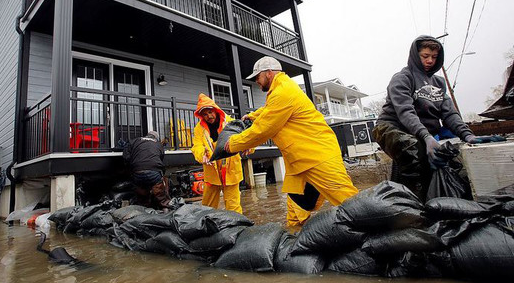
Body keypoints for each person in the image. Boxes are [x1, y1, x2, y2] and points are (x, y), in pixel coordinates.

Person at [224, 56, 359, 226]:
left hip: (318, 155)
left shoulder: (283, 92)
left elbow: (264, 129)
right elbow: (269, 110)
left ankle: (377, 238)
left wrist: (234, 144)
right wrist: (251, 116)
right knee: (295, 213)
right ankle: (294, 241)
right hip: (298, 162)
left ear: (269, 73)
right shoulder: (280, 90)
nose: (257, 82)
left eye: (257, 77)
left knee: (349, 202)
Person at [372, 35, 503, 200]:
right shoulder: (403, 78)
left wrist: (468, 135)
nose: (430, 61)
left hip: (419, 132)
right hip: (390, 128)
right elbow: (405, 111)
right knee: (411, 149)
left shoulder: (439, 83)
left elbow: (450, 113)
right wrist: (426, 136)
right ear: (415, 55)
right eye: (425, 56)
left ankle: (436, 200)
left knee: (446, 156)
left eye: (434, 57)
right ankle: (415, 206)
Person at [191, 93, 244, 213]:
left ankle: (237, 227)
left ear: (215, 111)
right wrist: (201, 155)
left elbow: (244, 138)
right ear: (201, 116)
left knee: (233, 205)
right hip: (211, 169)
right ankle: (206, 226)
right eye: (205, 114)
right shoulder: (199, 129)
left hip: (230, 169)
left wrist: (249, 148)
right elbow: (197, 145)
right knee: (208, 206)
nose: (209, 116)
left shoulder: (230, 122)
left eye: (210, 112)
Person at [123, 131, 170, 210]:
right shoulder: (159, 144)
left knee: (141, 192)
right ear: (155, 138)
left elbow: (126, 156)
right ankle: (164, 207)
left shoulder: (135, 141)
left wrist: (132, 166)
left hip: (137, 172)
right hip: (154, 172)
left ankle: (144, 208)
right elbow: (160, 159)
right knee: (159, 190)